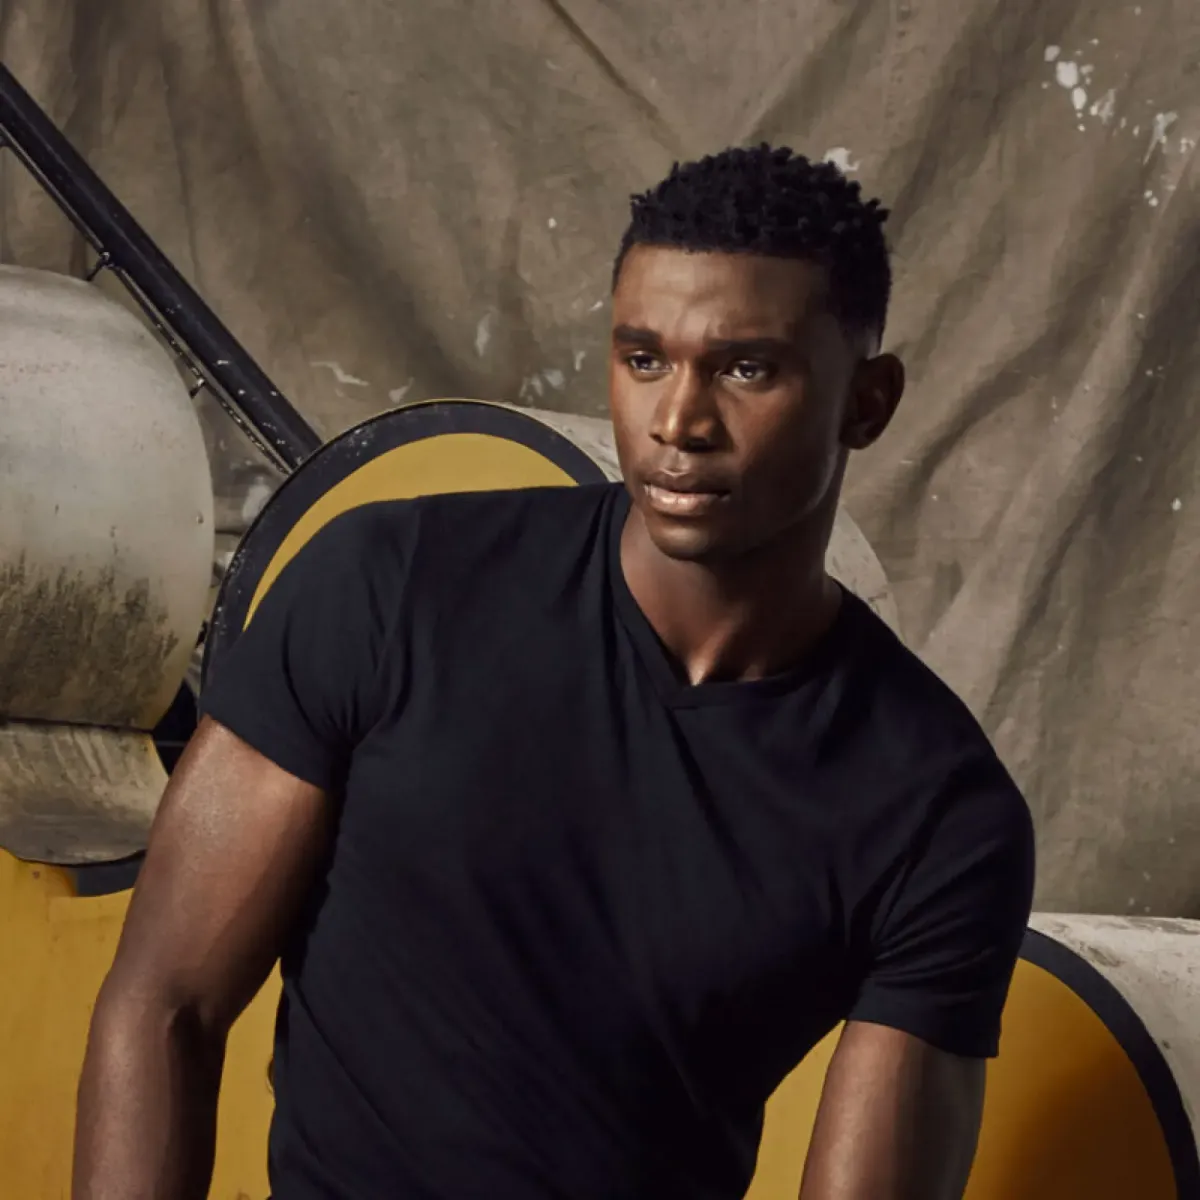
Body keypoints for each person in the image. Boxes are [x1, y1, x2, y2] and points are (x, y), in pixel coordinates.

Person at [73, 144, 1035, 1200]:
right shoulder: (391, 586)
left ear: (869, 402)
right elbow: (163, 1004)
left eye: (746, 369)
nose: (678, 423)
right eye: (644, 359)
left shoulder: (934, 809)